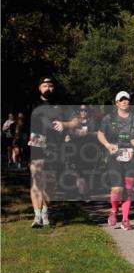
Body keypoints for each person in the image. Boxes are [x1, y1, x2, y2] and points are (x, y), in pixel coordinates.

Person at [28, 76, 78, 227]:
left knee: (49, 182)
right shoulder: (32, 103)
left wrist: (65, 124)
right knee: (36, 179)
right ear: (39, 88)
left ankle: (45, 211)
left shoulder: (61, 105)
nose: (48, 88)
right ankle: (37, 216)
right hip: (36, 145)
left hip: (55, 146)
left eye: (50, 85)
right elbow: (21, 120)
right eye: (44, 85)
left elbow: (75, 121)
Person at [97, 91, 134, 231]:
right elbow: (100, 133)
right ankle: (114, 211)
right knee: (117, 188)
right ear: (117, 103)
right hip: (115, 156)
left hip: (132, 156)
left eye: (127, 100)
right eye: (122, 100)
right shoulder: (109, 118)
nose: (125, 102)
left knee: (128, 189)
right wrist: (108, 145)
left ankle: (125, 220)